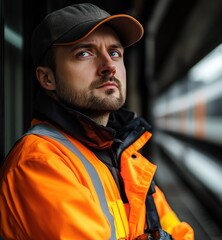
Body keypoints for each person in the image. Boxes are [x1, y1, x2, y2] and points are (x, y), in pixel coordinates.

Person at [0, 3, 194, 240]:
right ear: (47, 78)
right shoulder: (39, 162)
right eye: (84, 53)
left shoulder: (126, 158)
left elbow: (181, 234)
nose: (108, 66)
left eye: (114, 53)